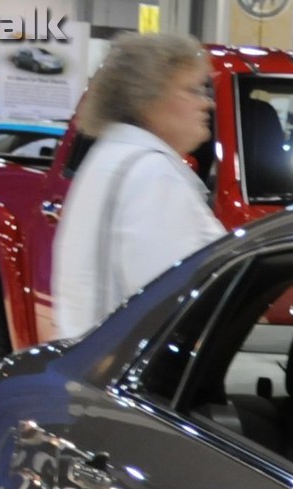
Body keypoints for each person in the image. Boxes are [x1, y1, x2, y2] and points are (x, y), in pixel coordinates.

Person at [52, 33, 224, 340]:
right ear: (148, 99)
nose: (206, 103)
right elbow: (173, 305)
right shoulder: (152, 174)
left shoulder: (111, 157)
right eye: (192, 90)